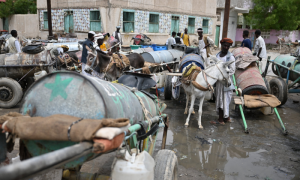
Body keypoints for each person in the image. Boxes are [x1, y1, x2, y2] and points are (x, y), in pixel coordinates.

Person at [211, 38, 235, 125]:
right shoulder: (217, 55)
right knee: (220, 99)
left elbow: (232, 70)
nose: (226, 47)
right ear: (221, 45)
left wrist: (223, 76)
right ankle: (226, 117)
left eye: (227, 46)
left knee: (224, 100)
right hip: (219, 82)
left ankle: (221, 119)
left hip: (226, 82)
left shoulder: (230, 57)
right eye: (224, 45)